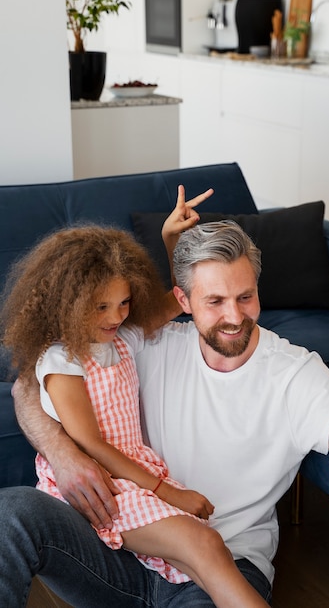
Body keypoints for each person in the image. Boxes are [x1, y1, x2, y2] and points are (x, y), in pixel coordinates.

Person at [1, 191, 329, 607]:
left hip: (219, 567)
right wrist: (62, 453)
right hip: (116, 553)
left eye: (245, 297)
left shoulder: (297, 376)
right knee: (11, 513)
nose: (234, 317)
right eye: (214, 301)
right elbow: (27, 385)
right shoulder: (143, 343)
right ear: (184, 302)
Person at [0, 193, 270, 608]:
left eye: (124, 302)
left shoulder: (121, 338)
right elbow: (91, 446)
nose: (116, 316)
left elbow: (180, 298)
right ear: (67, 304)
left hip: (133, 472)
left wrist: (170, 242)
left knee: (207, 551)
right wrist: (170, 493)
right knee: (202, 544)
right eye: (101, 306)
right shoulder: (62, 360)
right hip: (106, 481)